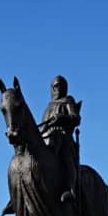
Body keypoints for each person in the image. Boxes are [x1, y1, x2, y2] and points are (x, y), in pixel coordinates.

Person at [38, 75, 81, 203]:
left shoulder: (68, 101)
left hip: (64, 137)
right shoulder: (47, 108)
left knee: (65, 154)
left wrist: (62, 117)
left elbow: (76, 118)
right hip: (48, 139)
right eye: (54, 86)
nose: (57, 89)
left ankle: (70, 189)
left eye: (59, 86)